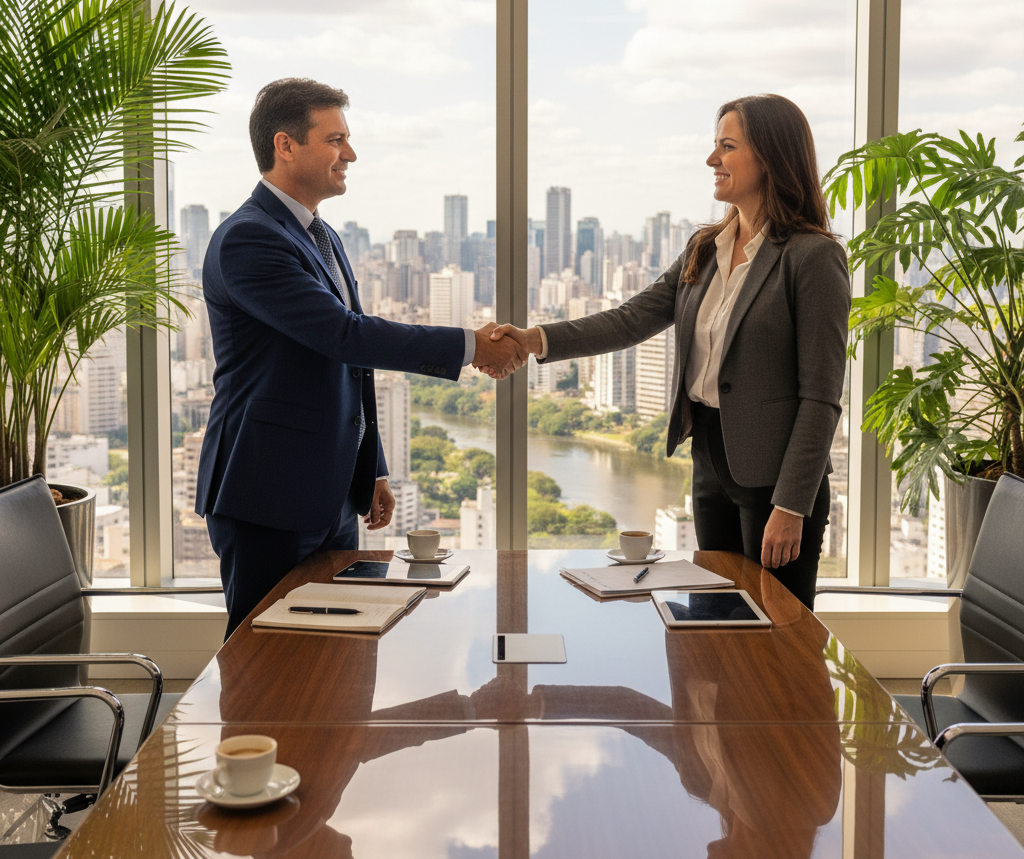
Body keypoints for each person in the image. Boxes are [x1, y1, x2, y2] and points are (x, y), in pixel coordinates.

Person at [488, 94, 850, 609]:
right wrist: (532, 339)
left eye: (726, 147)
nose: (711, 161)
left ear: (769, 156)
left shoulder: (813, 257)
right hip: (710, 461)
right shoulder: (705, 246)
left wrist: (791, 505)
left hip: (776, 481)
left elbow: (821, 396)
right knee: (715, 621)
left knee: (777, 638)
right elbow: (631, 318)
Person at [196, 78, 526, 637]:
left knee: (338, 651)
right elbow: (343, 335)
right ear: (285, 145)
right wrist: (470, 346)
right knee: (264, 658)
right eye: (336, 139)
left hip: (329, 493)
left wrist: (369, 466)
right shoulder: (248, 239)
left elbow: (350, 365)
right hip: (266, 492)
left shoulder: (322, 236)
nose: (350, 153)